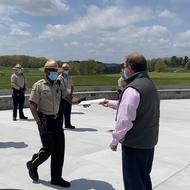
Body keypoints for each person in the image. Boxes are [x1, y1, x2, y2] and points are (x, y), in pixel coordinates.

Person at [101, 52, 160, 190]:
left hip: (134, 145)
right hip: (148, 142)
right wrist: (109, 103)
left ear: (130, 68)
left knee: (133, 183)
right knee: (144, 178)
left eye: (124, 66)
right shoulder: (149, 85)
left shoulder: (132, 89)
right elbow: (136, 108)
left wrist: (115, 140)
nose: (124, 69)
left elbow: (125, 120)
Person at [26, 60, 71, 188]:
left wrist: (79, 101)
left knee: (59, 150)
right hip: (44, 121)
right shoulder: (38, 86)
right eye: (52, 71)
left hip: (57, 120)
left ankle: (56, 178)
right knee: (48, 149)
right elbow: (32, 105)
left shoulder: (59, 83)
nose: (55, 73)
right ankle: (32, 164)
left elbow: (68, 97)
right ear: (46, 72)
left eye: (56, 71)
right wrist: (38, 122)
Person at [58, 63, 84, 129]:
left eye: (67, 69)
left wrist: (71, 93)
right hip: (63, 97)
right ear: (62, 70)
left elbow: (72, 85)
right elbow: (62, 88)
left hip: (69, 95)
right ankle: (59, 125)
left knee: (68, 111)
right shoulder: (60, 78)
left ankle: (68, 124)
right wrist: (67, 95)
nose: (66, 70)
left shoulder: (69, 77)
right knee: (61, 112)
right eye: (65, 69)